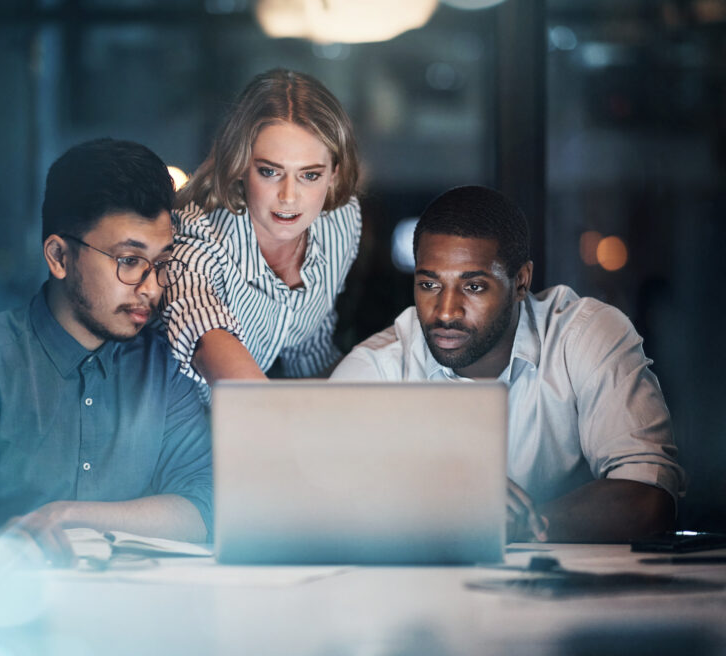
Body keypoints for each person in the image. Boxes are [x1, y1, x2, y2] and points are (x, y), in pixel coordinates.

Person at [0, 139, 212, 573]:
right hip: (1, 624)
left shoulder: (166, 367)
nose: (152, 287)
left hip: (138, 621)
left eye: (161, 262)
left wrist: (69, 516)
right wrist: (5, 552)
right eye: (130, 260)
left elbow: (203, 506)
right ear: (59, 256)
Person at [331, 185, 683, 543]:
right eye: (429, 285)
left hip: (573, 596)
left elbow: (650, 500)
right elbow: (318, 511)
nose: (446, 311)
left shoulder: (582, 338)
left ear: (521, 282)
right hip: (425, 597)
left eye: (474, 287)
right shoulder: (374, 372)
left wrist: (513, 526)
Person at [162, 69, 362, 398]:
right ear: (241, 165)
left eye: (309, 175)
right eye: (269, 172)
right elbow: (202, 330)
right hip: (176, 432)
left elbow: (308, 351)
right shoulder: (197, 235)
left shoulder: (339, 221)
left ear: (334, 175)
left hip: (257, 423)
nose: (288, 196)